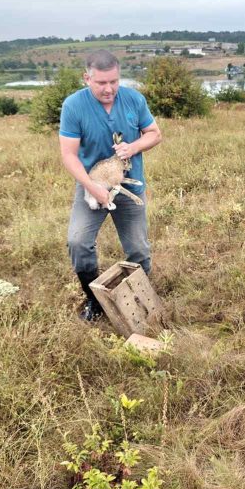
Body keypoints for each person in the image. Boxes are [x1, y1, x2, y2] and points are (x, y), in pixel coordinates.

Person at [59, 50, 162, 320]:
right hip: (92, 187)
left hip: (128, 189)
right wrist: (92, 188)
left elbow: (154, 133)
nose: (109, 89)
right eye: (101, 83)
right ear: (87, 79)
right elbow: (69, 155)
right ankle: (95, 302)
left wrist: (134, 146)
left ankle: (141, 299)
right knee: (78, 242)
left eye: (114, 81)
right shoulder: (73, 105)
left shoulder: (134, 100)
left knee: (138, 249)